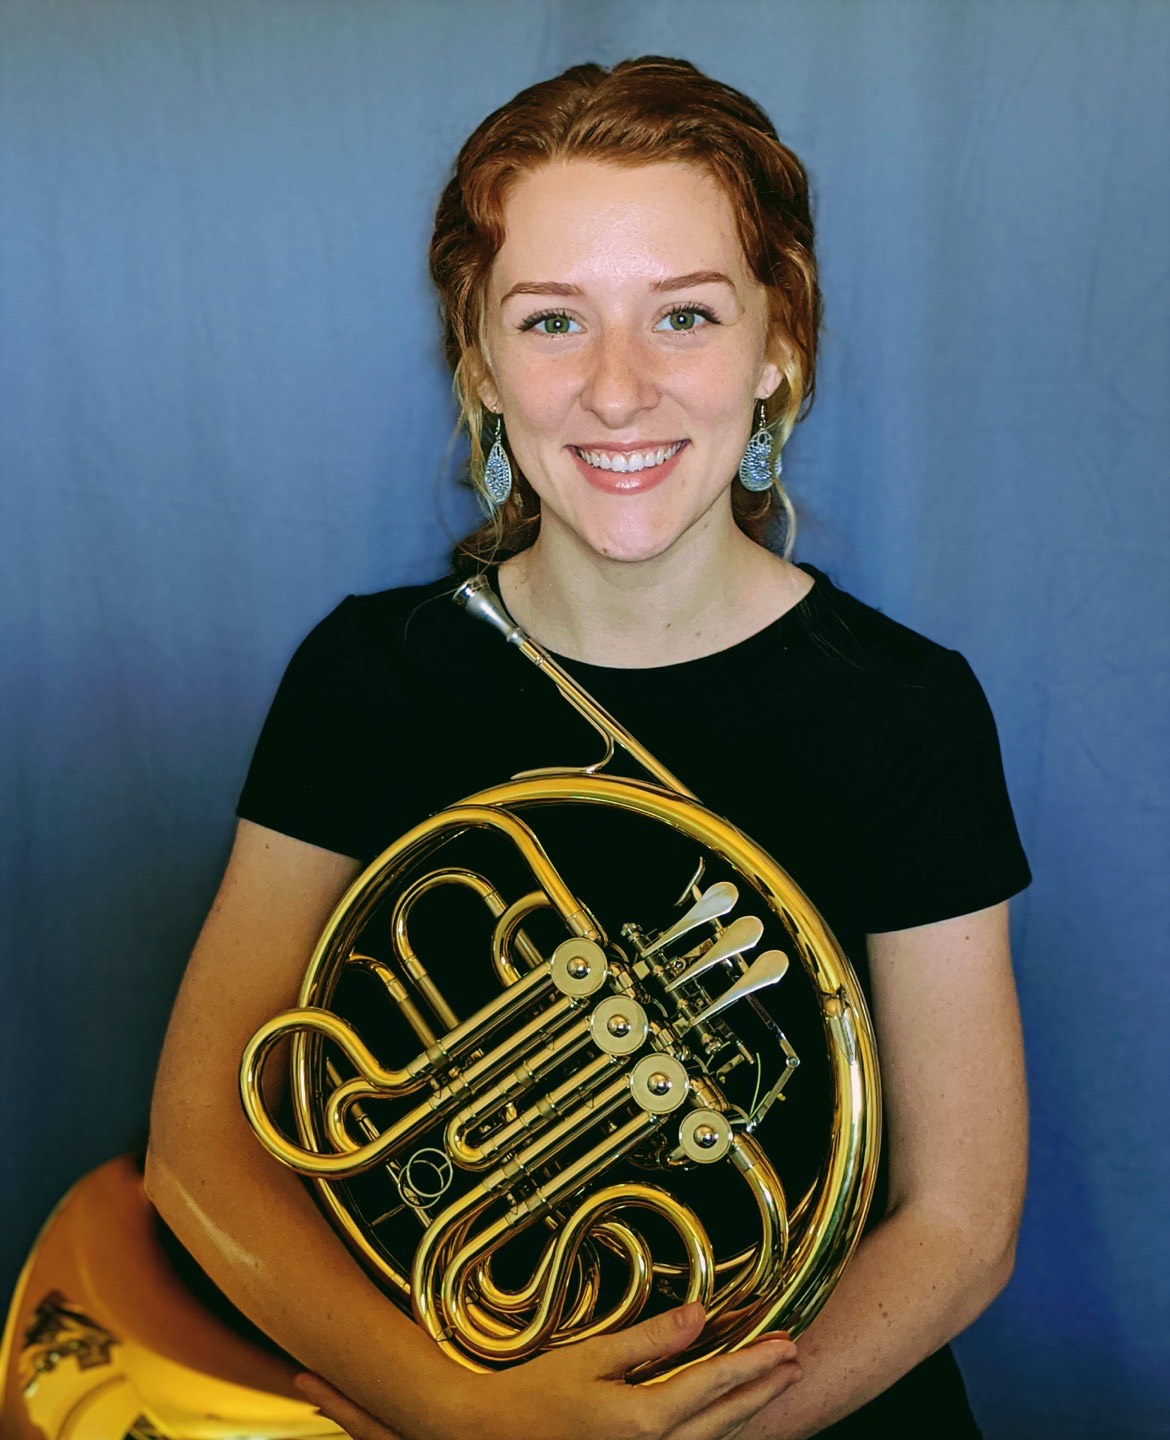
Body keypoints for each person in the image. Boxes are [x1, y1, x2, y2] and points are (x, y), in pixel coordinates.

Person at [144, 56, 1031, 1440]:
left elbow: (961, 1224)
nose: (618, 390)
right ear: (480, 364)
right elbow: (200, 1148)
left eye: (684, 314)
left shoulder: (903, 711)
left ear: (776, 346)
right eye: (552, 322)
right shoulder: (367, 680)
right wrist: (456, 1407)